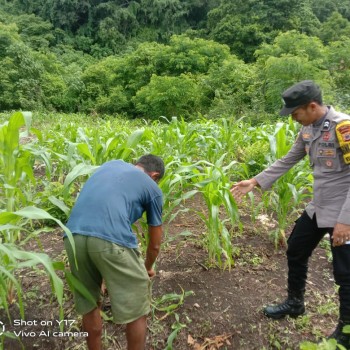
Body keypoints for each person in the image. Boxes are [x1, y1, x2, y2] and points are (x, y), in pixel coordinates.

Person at [230, 80, 350, 347]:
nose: (294, 119)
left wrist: (346, 221)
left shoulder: (344, 127)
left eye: (295, 113)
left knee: (345, 273)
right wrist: (255, 181)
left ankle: (346, 331)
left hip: (344, 210)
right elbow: (288, 158)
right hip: (319, 205)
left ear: (312, 106)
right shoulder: (308, 129)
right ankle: (295, 303)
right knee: (296, 249)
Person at [64, 154, 165, 350]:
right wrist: (146, 268)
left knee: (89, 302)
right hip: (109, 239)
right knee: (137, 308)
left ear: (137, 164)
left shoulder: (110, 165)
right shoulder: (152, 187)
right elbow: (155, 245)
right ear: (154, 175)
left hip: (72, 236)